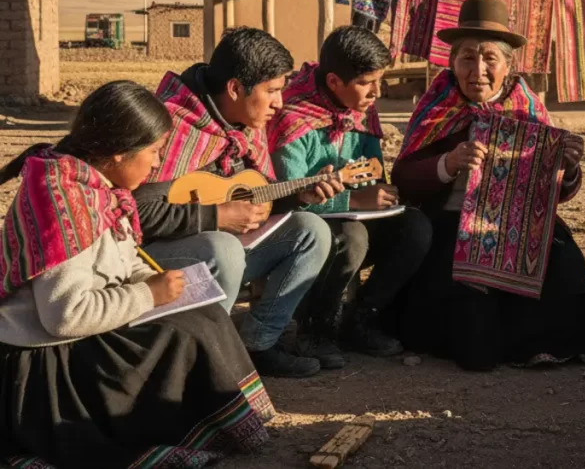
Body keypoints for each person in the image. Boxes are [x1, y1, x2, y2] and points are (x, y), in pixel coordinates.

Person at [0, 81, 273, 469]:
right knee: (178, 337)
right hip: (46, 367)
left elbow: (124, 259)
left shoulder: (99, 187)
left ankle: (221, 427)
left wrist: (163, 283)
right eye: (154, 151)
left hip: (76, 334)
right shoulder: (65, 203)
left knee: (202, 314)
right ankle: (166, 434)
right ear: (118, 153)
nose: (158, 164)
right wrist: (149, 295)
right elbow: (63, 315)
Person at [389, 0, 585, 371]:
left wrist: (567, 168)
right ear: (452, 63)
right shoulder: (436, 108)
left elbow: (558, 194)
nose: (478, 70)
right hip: (452, 225)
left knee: (562, 262)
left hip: (521, 226)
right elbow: (404, 178)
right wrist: (447, 163)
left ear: (508, 65)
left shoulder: (528, 111)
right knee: (470, 317)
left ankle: (539, 347)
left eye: (490, 58)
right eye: (467, 58)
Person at [133, 27, 342, 378]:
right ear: (234, 88)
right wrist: (217, 217)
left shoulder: (245, 122)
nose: (279, 103)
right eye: (271, 91)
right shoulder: (172, 125)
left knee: (311, 231)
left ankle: (258, 345)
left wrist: (298, 196)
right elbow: (139, 214)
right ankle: (211, 364)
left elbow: (251, 194)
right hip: (156, 265)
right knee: (224, 247)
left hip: (221, 255)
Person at [268, 26, 432, 359]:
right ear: (334, 82)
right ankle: (315, 329)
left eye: (379, 80)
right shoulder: (292, 117)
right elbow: (288, 199)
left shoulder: (363, 109)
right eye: (366, 82)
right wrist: (353, 200)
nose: (377, 92)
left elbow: (372, 173)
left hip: (355, 219)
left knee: (416, 228)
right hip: (304, 232)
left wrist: (379, 194)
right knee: (351, 237)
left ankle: (361, 317)